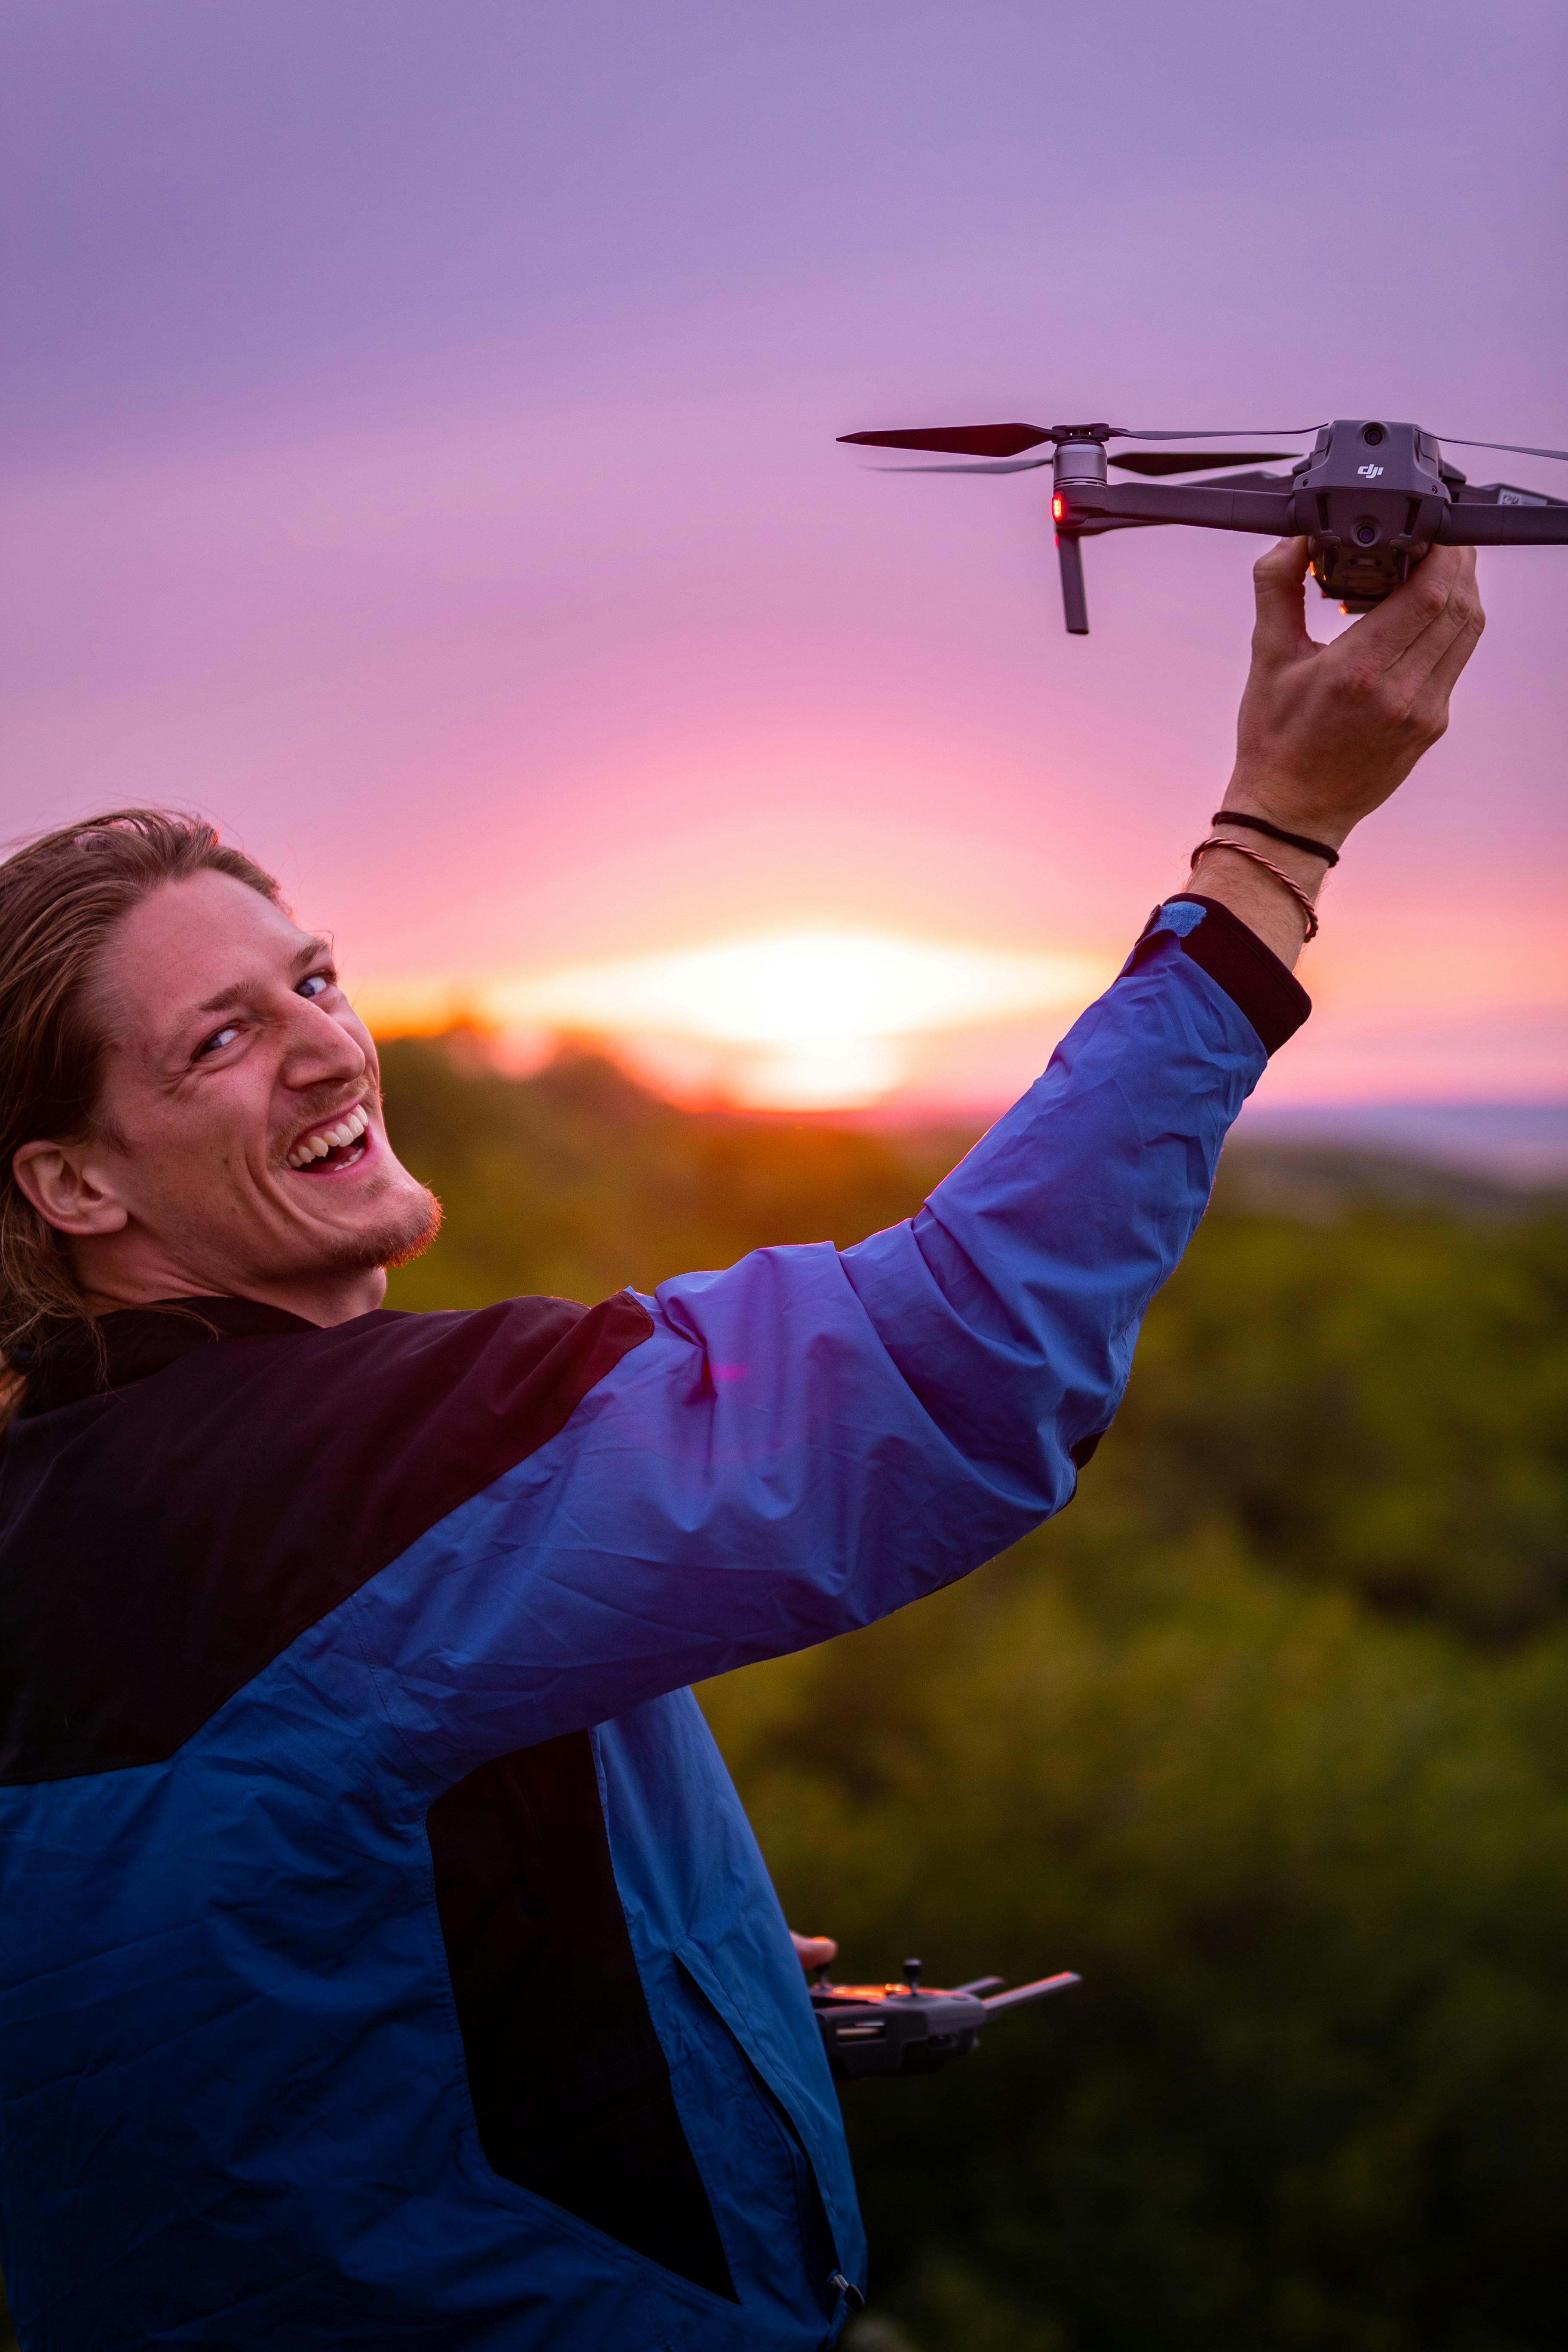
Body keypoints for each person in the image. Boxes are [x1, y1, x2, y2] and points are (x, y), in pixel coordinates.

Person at [0, 539, 1482, 2351]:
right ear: (70, 1184)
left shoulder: (50, 1510)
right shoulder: (351, 1469)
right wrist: (1270, 853)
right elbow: (952, 1361)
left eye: (312, 981)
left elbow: (190, 1983)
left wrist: (634, 1991)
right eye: (221, 1038)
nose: (326, 1050)